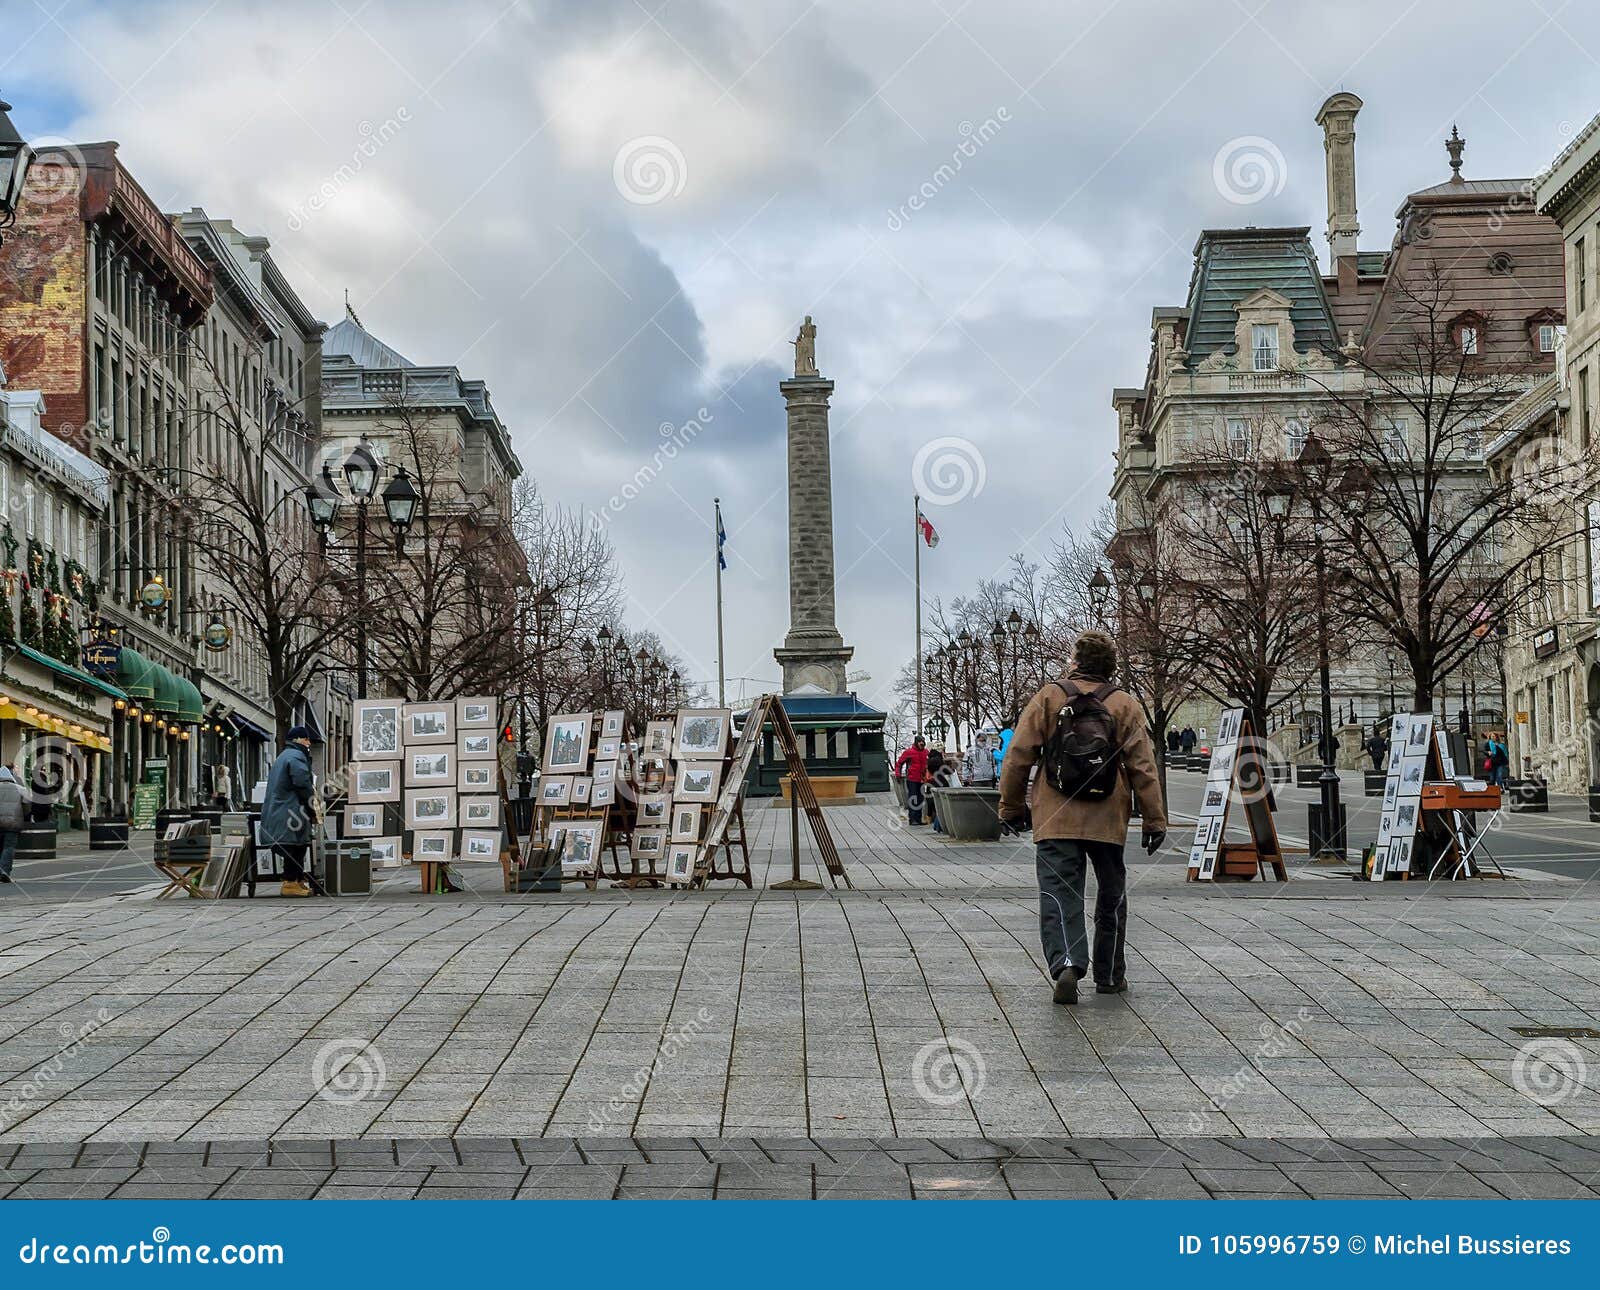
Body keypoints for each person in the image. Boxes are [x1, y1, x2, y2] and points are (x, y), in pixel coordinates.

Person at [999, 630, 1167, 1005]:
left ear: (1075, 663)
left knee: (1059, 892)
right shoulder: (1125, 704)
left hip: (1055, 817)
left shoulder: (1050, 697)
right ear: (1110, 667)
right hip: (1108, 818)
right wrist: (1155, 820)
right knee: (1112, 894)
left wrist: (1010, 808)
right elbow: (1143, 767)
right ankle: (1109, 975)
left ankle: (1068, 964)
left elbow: (1018, 756)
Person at [260, 727, 317, 897]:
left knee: (295, 845)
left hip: (281, 809)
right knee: (296, 846)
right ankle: (291, 882)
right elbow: (302, 783)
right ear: (299, 740)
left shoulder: (285, 755)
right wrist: (312, 804)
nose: (309, 743)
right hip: (290, 809)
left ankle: (297, 881)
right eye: (307, 740)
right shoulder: (296, 756)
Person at [894, 736, 929, 827]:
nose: (922, 744)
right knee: (913, 798)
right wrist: (898, 774)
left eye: (923, 742)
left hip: (922, 779)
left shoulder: (925, 752)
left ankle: (918, 819)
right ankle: (912, 819)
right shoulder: (909, 752)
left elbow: (929, 763)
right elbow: (899, 763)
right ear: (916, 742)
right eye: (920, 742)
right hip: (912, 779)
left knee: (920, 799)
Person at [0, 764, 22, 885]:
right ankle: (4, 871)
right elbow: (27, 805)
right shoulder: (19, 788)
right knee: (8, 847)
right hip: (13, 824)